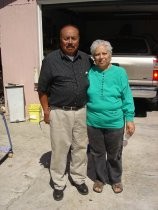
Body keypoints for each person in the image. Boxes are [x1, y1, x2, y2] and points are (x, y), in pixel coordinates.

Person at [38, 24, 92, 201]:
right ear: (60, 39)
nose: (70, 42)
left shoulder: (86, 58)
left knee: (80, 148)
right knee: (60, 150)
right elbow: (43, 89)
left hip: (82, 111)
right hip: (60, 112)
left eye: (73, 38)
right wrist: (46, 111)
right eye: (66, 38)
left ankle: (78, 178)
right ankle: (59, 183)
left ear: (78, 39)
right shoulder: (50, 60)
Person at [87, 39, 135, 194]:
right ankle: (100, 178)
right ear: (93, 57)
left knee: (115, 154)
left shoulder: (119, 73)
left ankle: (115, 179)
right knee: (97, 153)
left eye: (104, 53)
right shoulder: (90, 72)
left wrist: (130, 119)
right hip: (93, 121)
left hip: (114, 122)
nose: (101, 57)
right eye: (97, 54)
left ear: (110, 55)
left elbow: (127, 96)